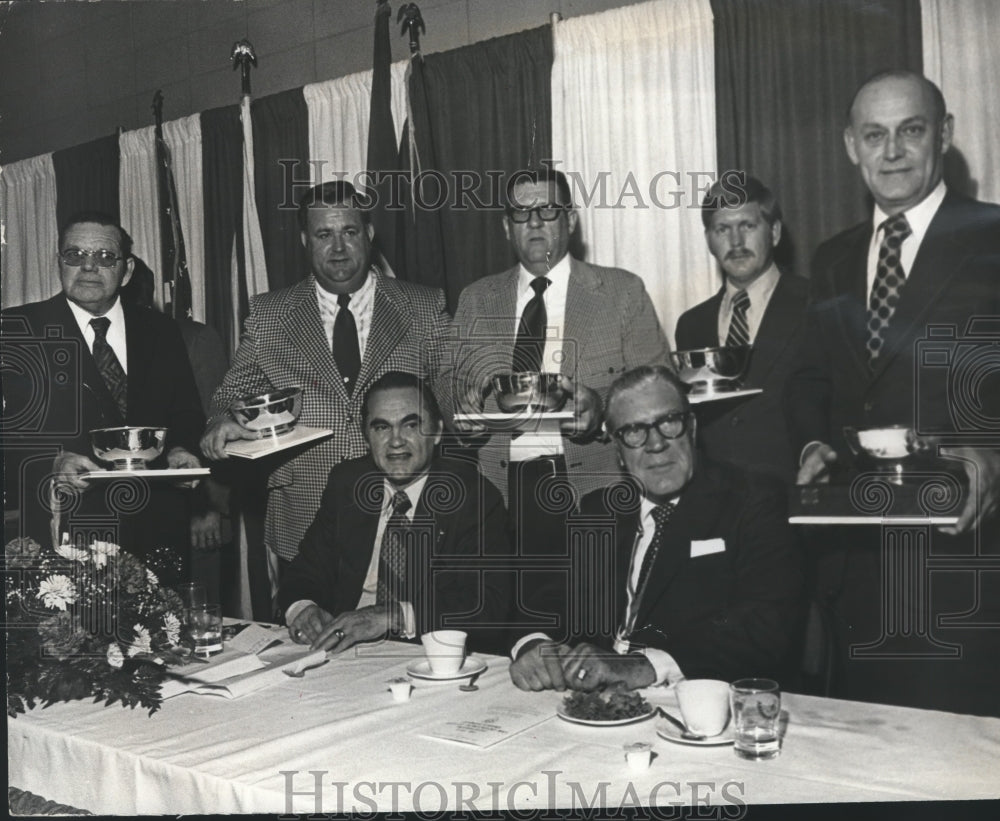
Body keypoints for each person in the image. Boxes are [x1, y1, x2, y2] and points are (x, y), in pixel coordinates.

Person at [787, 70, 1000, 714]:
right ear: (851, 145)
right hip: (856, 570)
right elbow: (812, 381)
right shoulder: (831, 259)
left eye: (911, 130)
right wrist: (815, 442)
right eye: (874, 135)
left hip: (965, 567)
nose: (893, 151)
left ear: (945, 136)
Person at [445, 167, 670, 634]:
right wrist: (460, 409)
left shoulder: (621, 292)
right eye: (521, 213)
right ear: (505, 225)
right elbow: (447, 384)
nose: (534, 223)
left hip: (595, 490)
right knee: (512, 637)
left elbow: (660, 387)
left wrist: (601, 405)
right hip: (501, 497)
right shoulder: (475, 299)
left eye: (546, 210)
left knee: (592, 633)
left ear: (570, 220)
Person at [200, 181, 451, 574]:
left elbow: (450, 392)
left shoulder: (423, 305)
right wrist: (221, 420)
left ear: (368, 234)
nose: (338, 248)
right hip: (304, 514)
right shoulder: (269, 314)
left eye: (349, 232)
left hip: (405, 509)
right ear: (304, 239)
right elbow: (232, 391)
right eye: (324, 234)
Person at [509, 365, 802, 692]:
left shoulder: (750, 499)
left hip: (693, 698)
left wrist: (643, 666)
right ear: (619, 451)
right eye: (634, 431)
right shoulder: (598, 510)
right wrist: (533, 644)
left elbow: (768, 626)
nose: (656, 443)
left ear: (691, 428)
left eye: (668, 422)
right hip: (596, 704)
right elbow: (544, 599)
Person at [1, 213, 204, 584]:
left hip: (157, 528)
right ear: (58, 263)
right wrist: (53, 460)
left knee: (164, 636)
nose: (89, 266)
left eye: (104, 257)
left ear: (126, 271)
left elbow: (186, 412)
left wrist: (181, 448)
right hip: (66, 531)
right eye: (74, 255)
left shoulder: (161, 330)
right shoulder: (17, 331)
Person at [279, 371, 512, 654]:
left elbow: (487, 605)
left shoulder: (472, 496)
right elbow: (304, 572)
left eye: (411, 426)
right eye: (381, 428)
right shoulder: (348, 484)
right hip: (345, 652)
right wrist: (304, 607)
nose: (396, 441)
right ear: (367, 437)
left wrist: (392, 616)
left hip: (426, 652)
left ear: (437, 432)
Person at [675, 175, 808, 484]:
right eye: (723, 229)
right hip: (719, 505)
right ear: (709, 239)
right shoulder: (691, 325)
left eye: (747, 226)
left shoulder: (816, 304)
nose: (735, 243)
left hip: (795, 495)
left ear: (774, 232)